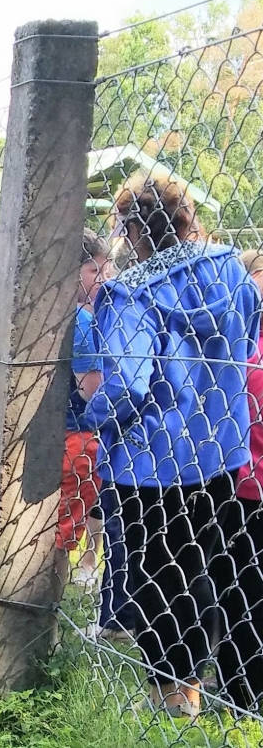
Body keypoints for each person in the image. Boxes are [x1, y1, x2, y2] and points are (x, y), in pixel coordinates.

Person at [84, 174, 260, 718]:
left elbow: (128, 384)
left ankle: (171, 695)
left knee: (159, 580)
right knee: (212, 569)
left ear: (136, 230)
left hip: (152, 461)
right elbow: (248, 330)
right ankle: (229, 697)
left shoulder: (131, 292)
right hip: (220, 451)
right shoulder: (231, 270)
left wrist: (92, 413)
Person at [210, 249, 263, 712]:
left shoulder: (244, 352)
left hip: (242, 485)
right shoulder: (246, 352)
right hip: (241, 486)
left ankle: (240, 690)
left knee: (240, 591)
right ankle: (238, 687)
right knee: (238, 590)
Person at [58, 232, 113, 590]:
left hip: (55, 433)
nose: (105, 277)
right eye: (95, 269)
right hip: (79, 435)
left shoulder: (52, 312)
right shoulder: (83, 319)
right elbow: (92, 389)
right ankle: (45, 603)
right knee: (61, 535)